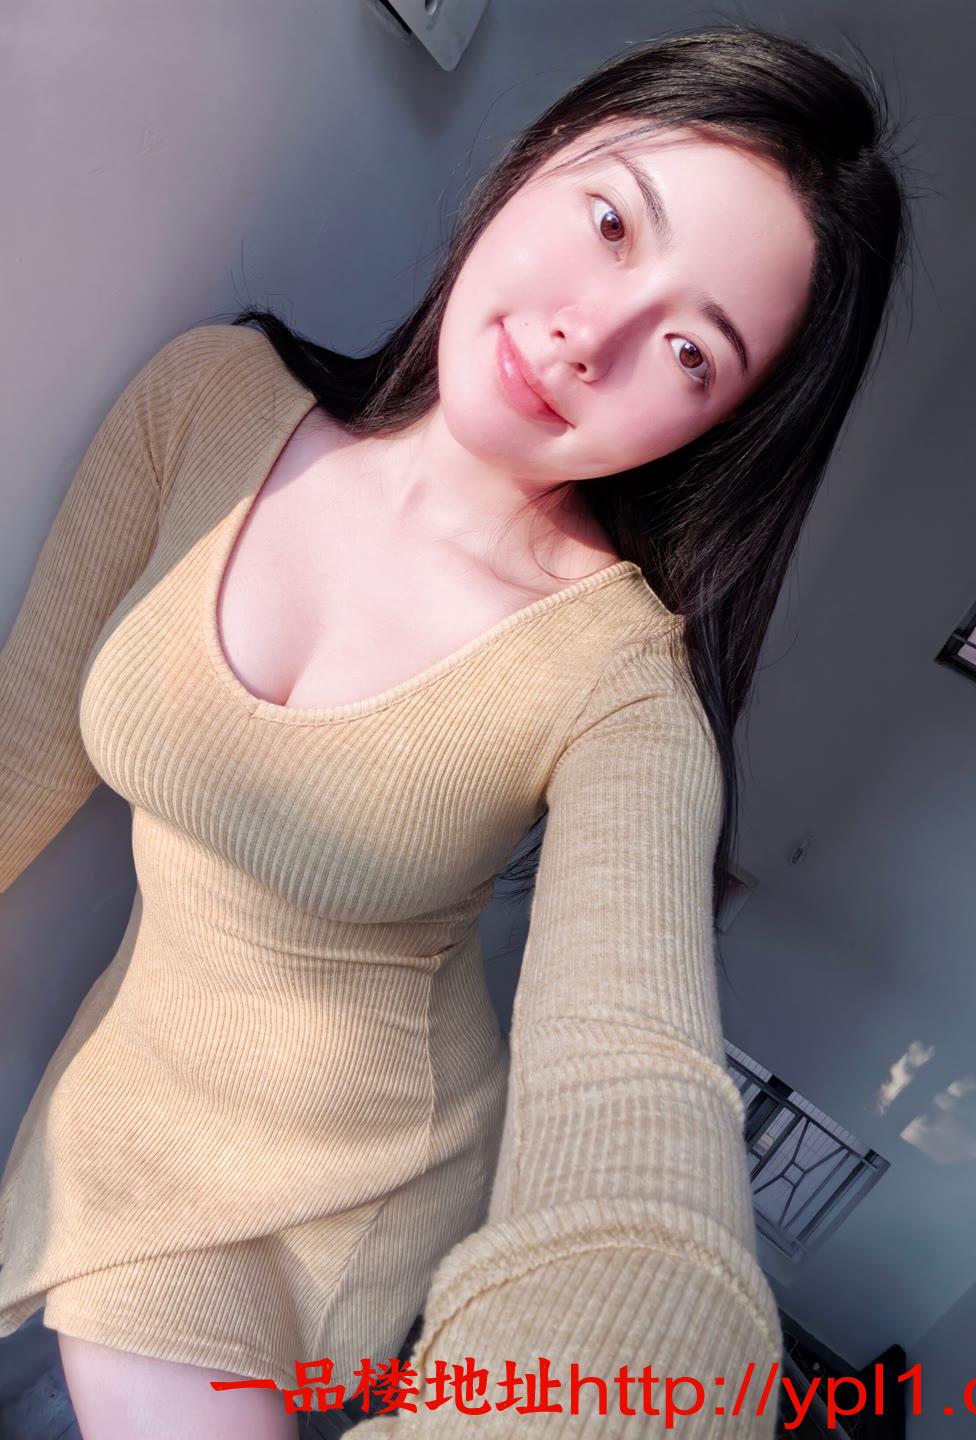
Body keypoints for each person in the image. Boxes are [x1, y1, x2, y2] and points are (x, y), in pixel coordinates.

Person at [0, 22, 910, 1439]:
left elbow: (632, 1058)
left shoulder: (625, 685)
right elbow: (25, 751)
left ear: (723, 422)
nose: (587, 339)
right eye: (611, 223)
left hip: (351, 1179)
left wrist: (652, 1320)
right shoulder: (207, 400)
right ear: (539, 160)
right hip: (128, 1084)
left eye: (689, 350)